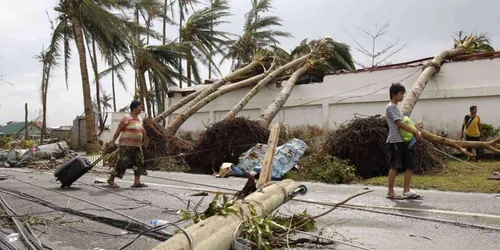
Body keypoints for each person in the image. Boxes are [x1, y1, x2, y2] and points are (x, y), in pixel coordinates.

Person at [385, 83, 422, 199]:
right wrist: (415, 132)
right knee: (395, 166)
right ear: (394, 94)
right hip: (395, 141)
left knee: (410, 165)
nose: (402, 96)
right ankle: (390, 192)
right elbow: (399, 123)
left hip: (401, 141)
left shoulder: (396, 108)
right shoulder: (391, 107)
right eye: (401, 94)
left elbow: (405, 122)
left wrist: (415, 131)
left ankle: (407, 190)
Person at [107, 100, 149, 188]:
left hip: (137, 145)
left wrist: (145, 138)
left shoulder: (139, 119)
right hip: (126, 145)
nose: (141, 108)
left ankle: (137, 182)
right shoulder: (126, 117)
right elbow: (118, 130)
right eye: (139, 107)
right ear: (134, 108)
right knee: (122, 162)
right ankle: (111, 179)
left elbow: (142, 130)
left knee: (139, 162)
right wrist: (113, 141)